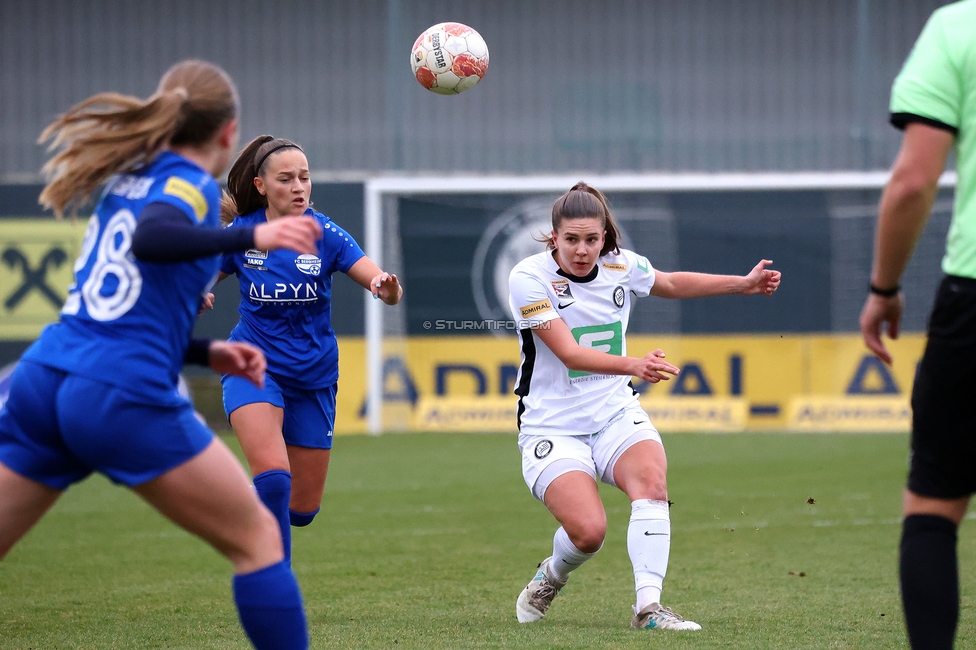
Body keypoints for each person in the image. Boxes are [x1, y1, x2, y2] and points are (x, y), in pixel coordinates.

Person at [0, 60, 325, 650]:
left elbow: (122, 309)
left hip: (44, 378)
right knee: (258, 540)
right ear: (227, 134)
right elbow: (153, 238)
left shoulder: (132, 176)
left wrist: (203, 350)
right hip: (114, 391)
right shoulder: (186, 184)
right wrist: (252, 235)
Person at [509, 181, 780, 631]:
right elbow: (571, 354)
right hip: (552, 427)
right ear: (554, 237)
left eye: (591, 239)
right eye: (571, 240)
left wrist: (744, 284)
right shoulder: (529, 277)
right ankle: (551, 574)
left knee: (652, 484)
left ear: (605, 237)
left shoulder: (621, 265)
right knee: (589, 533)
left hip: (614, 412)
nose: (582, 250)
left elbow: (670, 282)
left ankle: (648, 609)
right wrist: (634, 364)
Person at [212, 135, 402, 562]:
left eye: (305, 177)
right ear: (261, 186)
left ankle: (245, 498)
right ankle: (276, 581)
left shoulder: (327, 235)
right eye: (286, 179)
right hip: (252, 364)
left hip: (314, 376)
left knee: (302, 509)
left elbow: (380, 282)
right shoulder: (242, 234)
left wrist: (384, 288)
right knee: (276, 480)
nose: (299, 186)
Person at [859, 2, 976, 648]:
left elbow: (913, 181)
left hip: (975, 291)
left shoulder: (959, 27)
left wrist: (883, 289)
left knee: (934, 505)